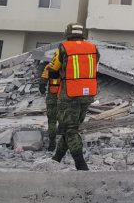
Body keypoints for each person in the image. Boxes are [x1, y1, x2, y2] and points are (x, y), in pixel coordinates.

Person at [49, 23, 99, 171]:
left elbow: (53, 70)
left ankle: (81, 164)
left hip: (69, 95)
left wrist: (53, 91)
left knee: (70, 129)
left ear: (68, 33)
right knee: (68, 127)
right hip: (88, 94)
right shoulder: (93, 48)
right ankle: (56, 158)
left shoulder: (64, 47)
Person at [39, 60, 62, 151]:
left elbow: (42, 85)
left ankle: (52, 144)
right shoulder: (67, 67)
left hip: (52, 97)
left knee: (52, 121)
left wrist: (43, 88)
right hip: (65, 97)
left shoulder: (49, 66)